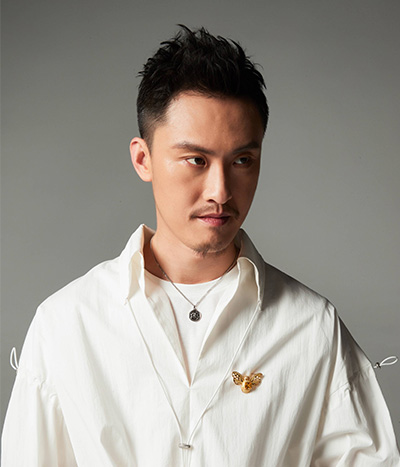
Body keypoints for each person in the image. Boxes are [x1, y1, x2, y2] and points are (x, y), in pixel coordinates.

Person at [1, 25, 399, 467]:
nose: (220, 191)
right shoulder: (66, 324)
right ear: (143, 159)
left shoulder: (312, 328)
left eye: (242, 160)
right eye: (196, 159)